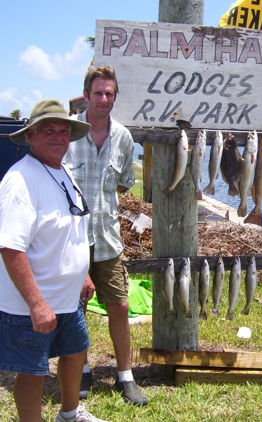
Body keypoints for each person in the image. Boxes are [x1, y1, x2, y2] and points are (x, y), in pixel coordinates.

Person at [0, 99, 106, 422]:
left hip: (67, 299)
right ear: (31, 136)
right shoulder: (20, 181)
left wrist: (83, 275)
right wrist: (36, 304)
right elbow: (10, 248)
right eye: (49, 130)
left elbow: (70, 228)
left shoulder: (63, 173)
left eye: (63, 130)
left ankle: (70, 414)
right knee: (32, 371)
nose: (58, 136)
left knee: (75, 353)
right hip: (31, 304)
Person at [63, 66, 148, 406]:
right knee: (75, 307)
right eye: (97, 92)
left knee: (120, 305)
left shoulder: (124, 138)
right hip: (72, 240)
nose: (103, 99)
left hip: (109, 238)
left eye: (109, 93)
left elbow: (124, 182)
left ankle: (124, 376)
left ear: (115, 96)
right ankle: (81, 368)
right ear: (86, 95)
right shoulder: (68, 135)